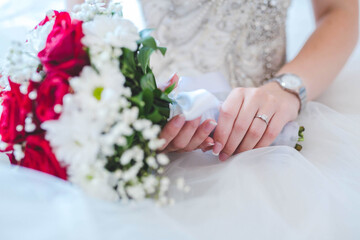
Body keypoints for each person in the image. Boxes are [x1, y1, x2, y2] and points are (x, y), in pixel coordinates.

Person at [2, 0, 359, 239]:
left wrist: (288, 88)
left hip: (275, 125)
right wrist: (134, 112)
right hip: (158, 132)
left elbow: (338, 10)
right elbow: (86, 22)